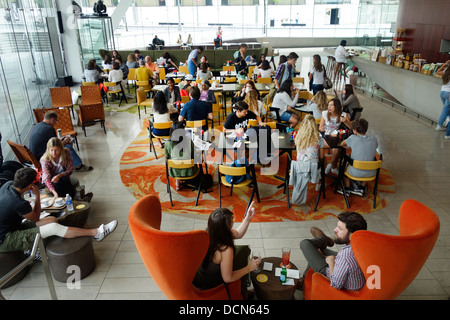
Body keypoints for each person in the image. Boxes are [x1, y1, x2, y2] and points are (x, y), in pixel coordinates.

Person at [0, 167, 117, 255]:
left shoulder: (8, 185)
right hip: (5, 239)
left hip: (11, 227)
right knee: (53, 228)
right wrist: (37, 197)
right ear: (30, 185)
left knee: (52, 220)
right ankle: (97, 233)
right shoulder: (18, 203)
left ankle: (36, 250)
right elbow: (35, 217)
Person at [193, 203, 261, 299]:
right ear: (226, 228)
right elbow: (228, 278)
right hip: (211, 284)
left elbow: (238, 233)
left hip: (201, 276)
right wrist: (248, 268)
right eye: (232, 221)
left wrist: (248, 218)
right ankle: (242, 291)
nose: (233, 221)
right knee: (242, 261)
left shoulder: (210, 231)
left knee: (242, 251)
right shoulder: (225, 249)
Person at [299, 211, 367, 291]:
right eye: (337, 226)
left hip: (334, 280)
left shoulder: (345, 255)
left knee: (305, 244)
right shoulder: (362, 244)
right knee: (316, 251)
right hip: (350, 275)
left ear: (352, 235)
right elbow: (350, 262)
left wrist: (331, 262)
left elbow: (335, 284)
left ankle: (322, 239)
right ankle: (321, 240)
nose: (335, 230)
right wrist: (334, 258)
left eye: (340, 229)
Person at [29, 111, 93, 173]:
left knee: (64, 146)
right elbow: (56, 146)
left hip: (35, 155)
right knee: (67, 147)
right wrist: (65, 141)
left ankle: (70, 164)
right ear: (52, 119)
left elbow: (52, 142)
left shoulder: (38, 125)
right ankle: (79, 166)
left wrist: (61, 139)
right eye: (56, 121)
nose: (56, 123)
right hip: (42, 156)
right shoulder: (49, 129)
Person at [338, 118, 378, 196]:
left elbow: (342, 144)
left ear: (355, 129)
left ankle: (347, 188)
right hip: (371, 172)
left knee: (344, 163)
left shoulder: (353, 138)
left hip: (355, 172)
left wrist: (350, 147)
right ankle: (361, 188)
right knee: (368, 159)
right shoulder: (374, 139)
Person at [291, 114, 324, 204]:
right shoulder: (319, 139)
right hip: (312, 169)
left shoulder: (298, 137)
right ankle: (319, 182)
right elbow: (321, 156)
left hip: (299, 167)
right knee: (321, 163)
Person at [319, 98, 352, 176]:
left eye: (331, 105)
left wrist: (346, 121)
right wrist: (322, 128)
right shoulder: (324, 113)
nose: (329, 107)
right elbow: (320, 127)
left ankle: (332, 166)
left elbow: (351, 128)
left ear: (336, 106)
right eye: (328, 105)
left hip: (336, 135)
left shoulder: (342, 114)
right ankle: (331, 165)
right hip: (325, 135)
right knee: (335, 146)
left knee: (338, 147)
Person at [164, 121, 199, 191]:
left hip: (174, 172)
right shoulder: (189, 141)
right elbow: (194, 157)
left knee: (175, 160)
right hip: (191, 172)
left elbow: (166, 159)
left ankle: (177, 182)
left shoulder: (167, 143)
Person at [435, 60, 450, 139]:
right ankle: (440, 125)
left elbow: (437, 72)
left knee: (446, 109)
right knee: (446, 110)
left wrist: (444, 64)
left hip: (442, 92)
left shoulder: (445, 71)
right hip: (448, 94)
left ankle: (443, 124)